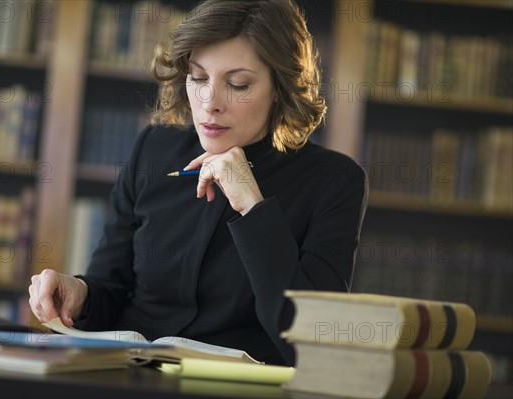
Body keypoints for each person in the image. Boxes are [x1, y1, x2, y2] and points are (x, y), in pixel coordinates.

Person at [29, 0, 368, 366]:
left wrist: (253, 208)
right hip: (131, 376)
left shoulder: (334, 180)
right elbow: (110, 287)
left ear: (279, 89)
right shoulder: (153, 149)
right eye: (198, 77)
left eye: (238, 84)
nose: (209, 103)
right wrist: (80, 294)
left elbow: (311, 345)